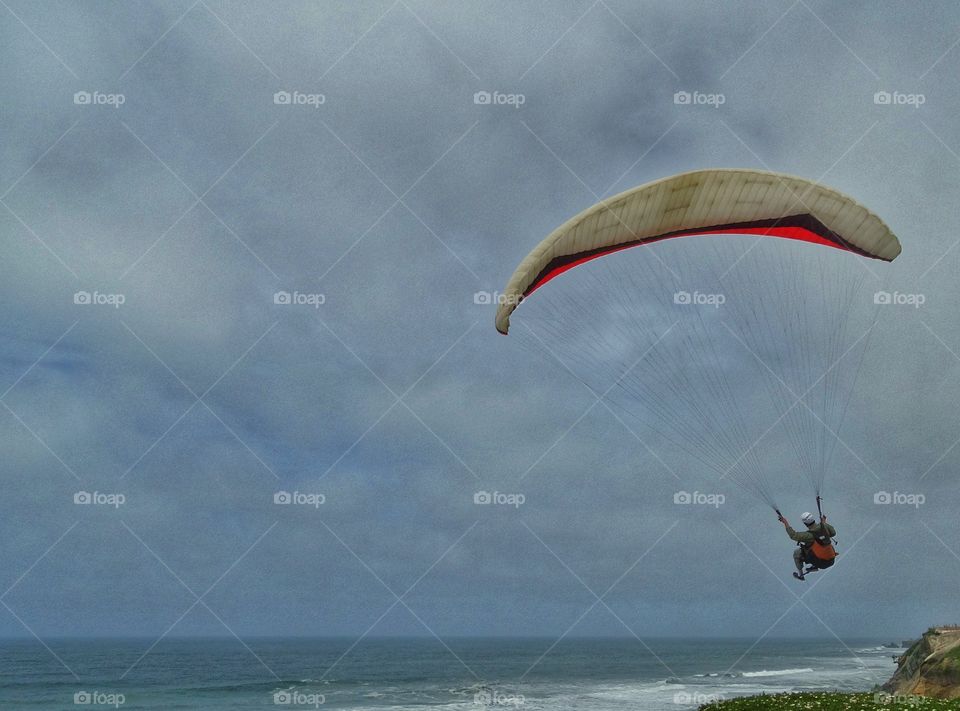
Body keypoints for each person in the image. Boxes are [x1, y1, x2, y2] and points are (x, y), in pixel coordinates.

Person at [779, 511, 837, 580]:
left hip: (821, 563)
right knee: (816, 548)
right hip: (831, 559)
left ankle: (801, 575)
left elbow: (793, 535)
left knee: (797, 553)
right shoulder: (824, 526)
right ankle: (814, 566)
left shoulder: (808, 536)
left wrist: (785, 522)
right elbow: (833, 533)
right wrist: (824, 524)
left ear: (805, 523)